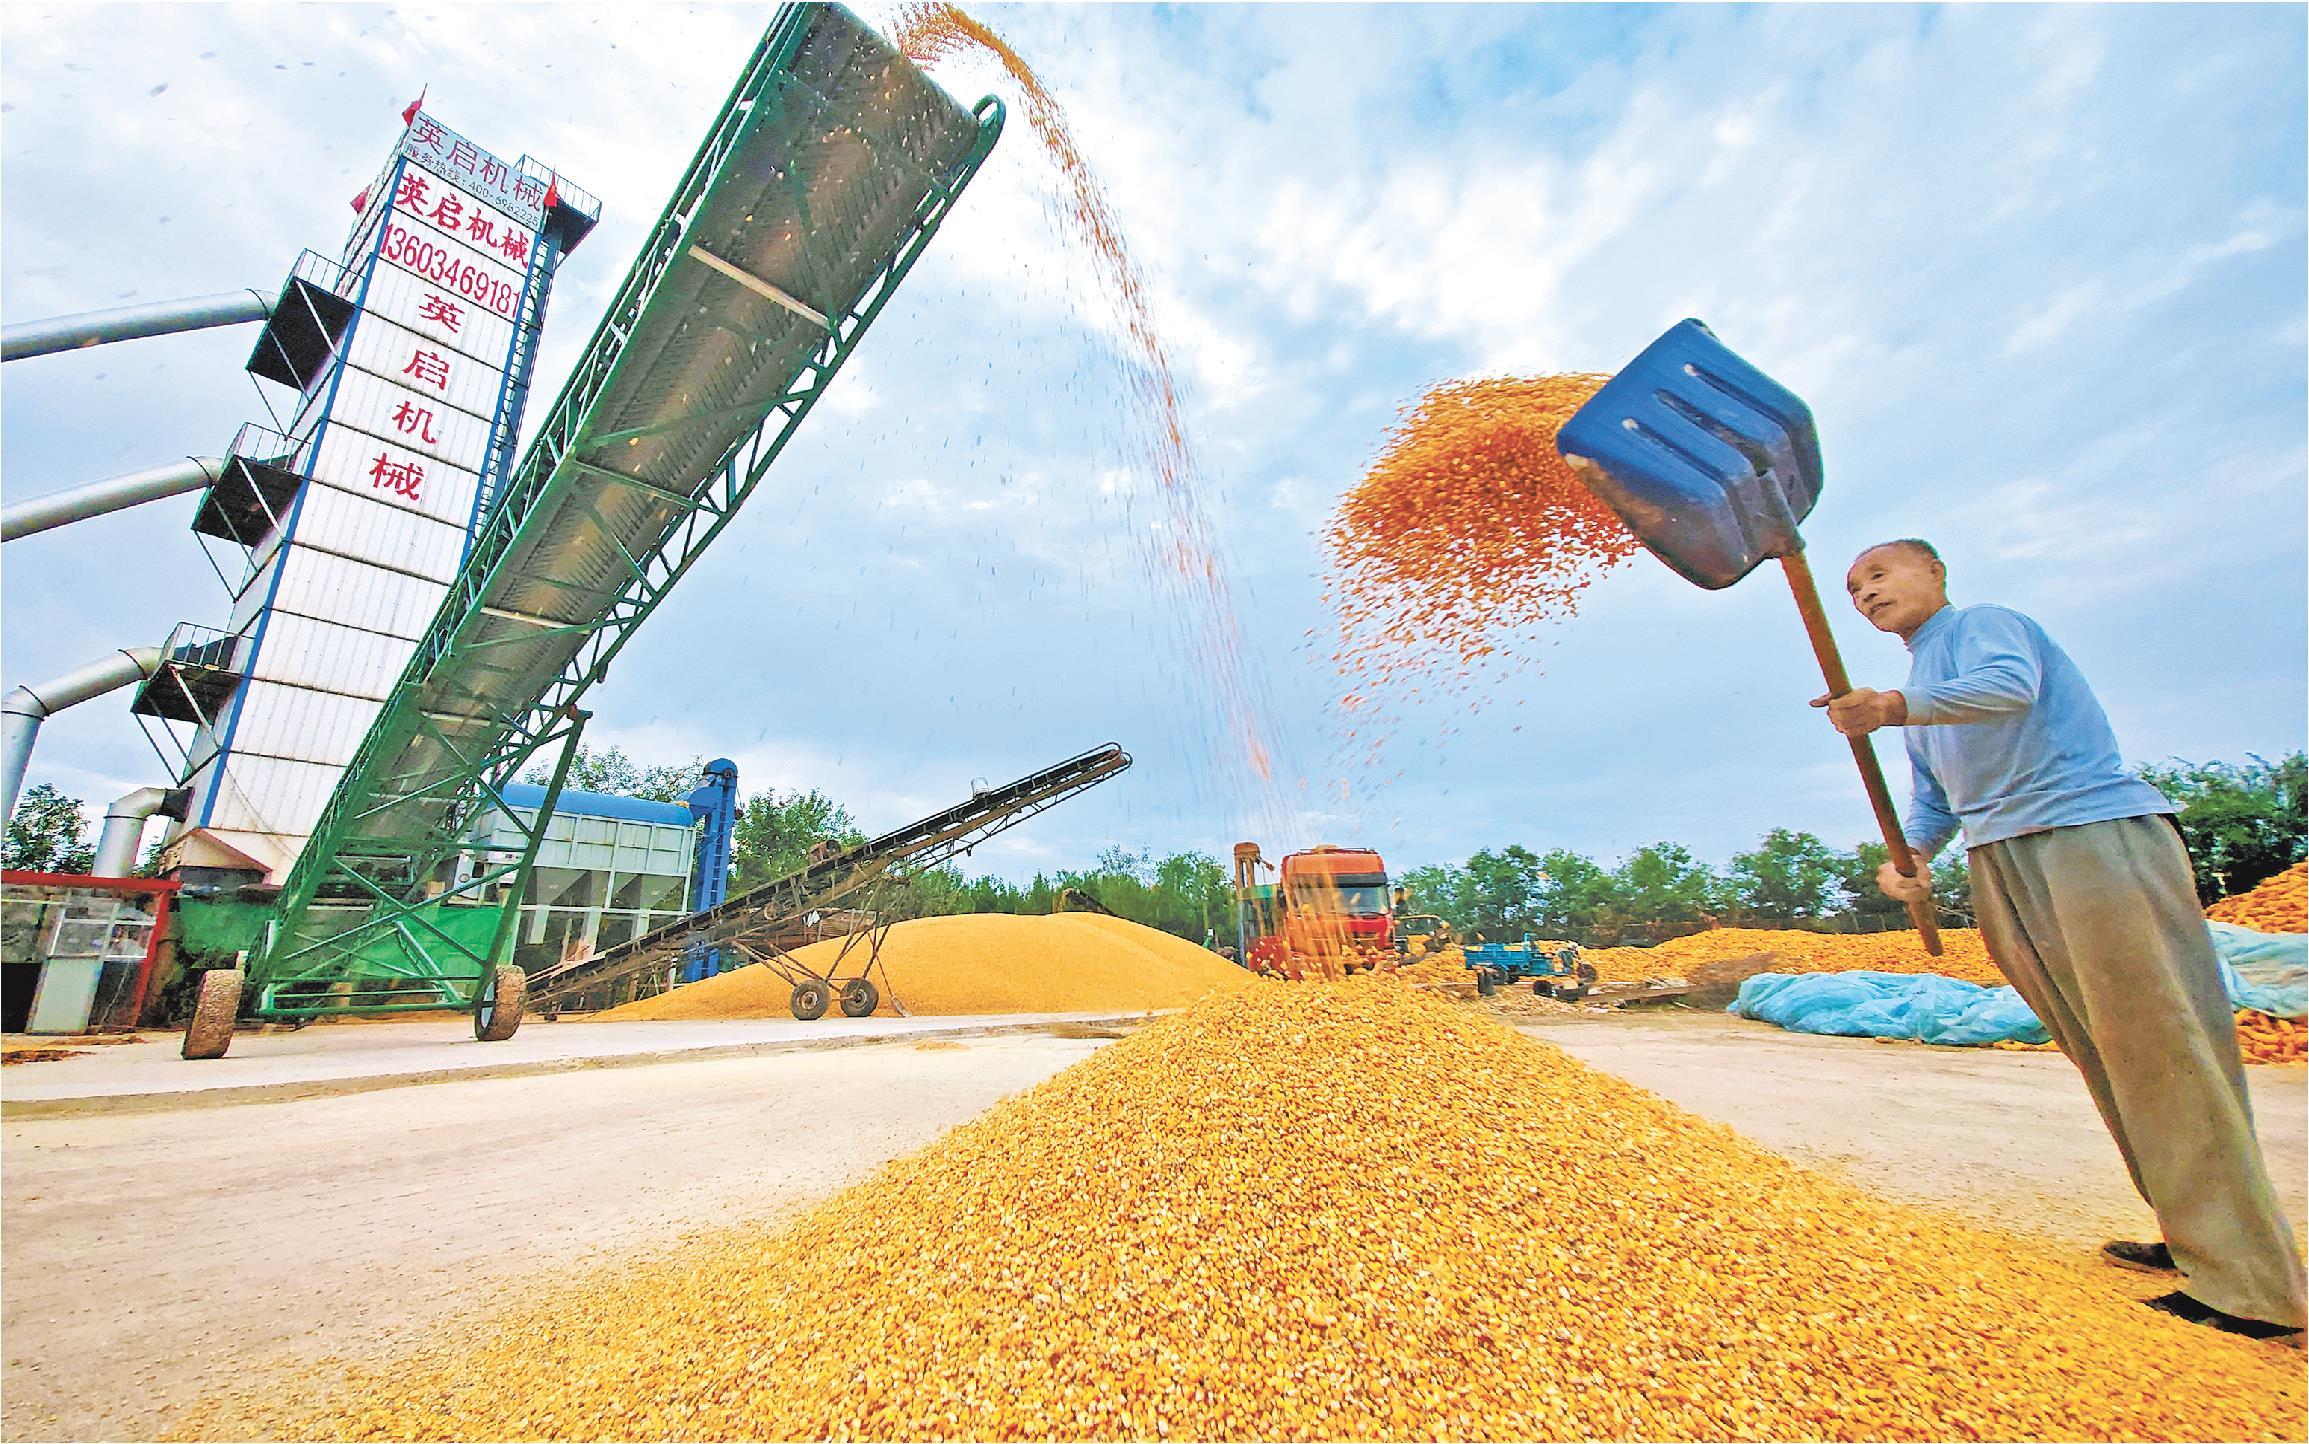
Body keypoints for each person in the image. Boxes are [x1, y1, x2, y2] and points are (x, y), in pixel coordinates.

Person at [1814, 538, 2306, 1343]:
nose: (1864, 592)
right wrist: (1909, 858)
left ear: (1934, 572)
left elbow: (2007, 689)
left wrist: (1891, 706)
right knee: (2102, 1049)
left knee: (2159, 1044)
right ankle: (2197, 1236)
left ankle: (2250, 1287)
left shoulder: (1981, 627)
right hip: (2000, 856)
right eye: (1851, 587)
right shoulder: (1918, 704)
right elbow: (1936, 803)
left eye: (1879, 573)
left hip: (2084, 835)